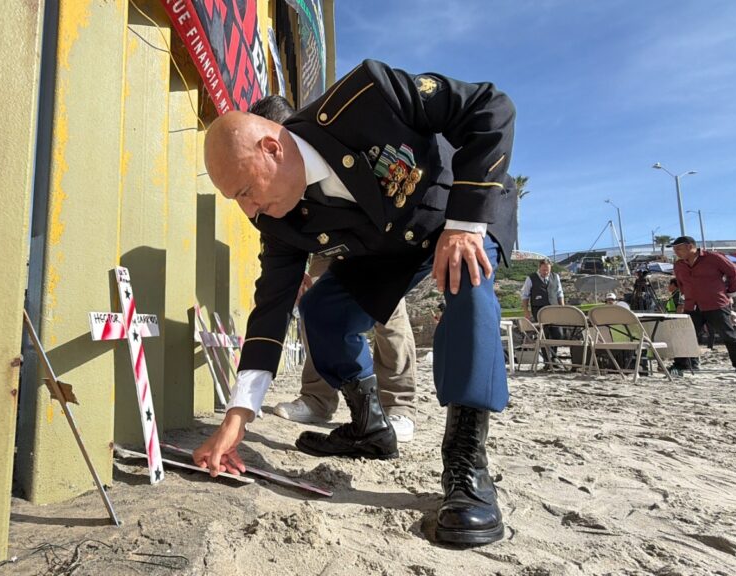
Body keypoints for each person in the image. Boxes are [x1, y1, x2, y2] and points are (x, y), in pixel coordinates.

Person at [193, 59, 516, 545]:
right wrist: (237, 417)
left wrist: (466, 223)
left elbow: (490, 106)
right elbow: (270, 307)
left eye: (246, 191)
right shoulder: (277, 220)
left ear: (272, 147)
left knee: (468, 284)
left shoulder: (369, 97)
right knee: (320, 311)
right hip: (387, 251)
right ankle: (370, 428)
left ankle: (467, 469)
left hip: (456, 213)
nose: (249, 210)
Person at [249, 95, 417, 441]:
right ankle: (317, 398)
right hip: (325, 242)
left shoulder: (340, 136)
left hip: (376, 236)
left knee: (388, 315)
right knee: (317, 311)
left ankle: (398, 405)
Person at [669, 236, 736, 379]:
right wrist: (685, 296)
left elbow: (734, 273)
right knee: (685, 336)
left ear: (690, 246)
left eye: (679, 249)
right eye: (675, 249)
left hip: (716, 303)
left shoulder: (714, 258)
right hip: (692, 305)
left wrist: (730, 293)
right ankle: (679, 366)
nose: (676, 252)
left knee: (729, 336)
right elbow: (680, 282)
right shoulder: (679, 265)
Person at [521, 259, 563, 365]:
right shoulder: (531, 278)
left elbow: (559, 293)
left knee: (558, 334)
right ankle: (547, 360)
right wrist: (526, 311)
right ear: (539, 267)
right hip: (539, 309)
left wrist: (563, 307)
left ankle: (554, 356)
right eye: (544, 270)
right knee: (545, 334)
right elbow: (525, 296)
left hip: (554, 308)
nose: (545, 272)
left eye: (547, 270)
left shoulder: (555, 277)